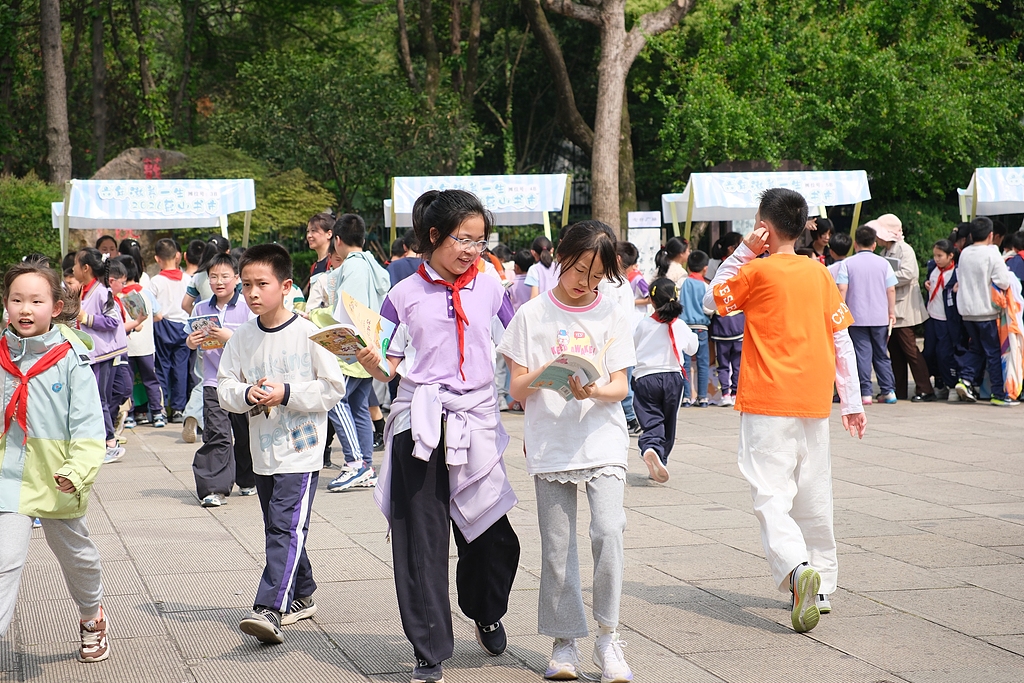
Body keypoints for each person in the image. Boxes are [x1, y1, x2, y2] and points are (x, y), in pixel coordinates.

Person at [355, 189, 520, 683]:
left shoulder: (491, 286)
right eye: (461, 239)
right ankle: (429, 651)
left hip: (478, 422)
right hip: (418, 425)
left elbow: (517, 341)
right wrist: (369, 361)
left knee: (494, 536)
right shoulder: (401, 296)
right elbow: (388, 366)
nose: (471, 249)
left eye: (478, 240)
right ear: (434, 236)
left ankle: (484, 608)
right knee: (421, 544)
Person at [703, 187, 865, 633]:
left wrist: (742, 252)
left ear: (765, 227)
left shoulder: (758, 272)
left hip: (766, 399)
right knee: (814, 491)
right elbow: (841, 340)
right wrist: (850, 401)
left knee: (770, 492)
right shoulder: (819, 274)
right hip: (814, 399)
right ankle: (824, 583)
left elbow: (711, 299)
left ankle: (797, 570)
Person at [498, 220, 635, 683]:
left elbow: (620, 385)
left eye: (596, 277)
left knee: (609, 531)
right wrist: (549, 373)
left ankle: (609, 635)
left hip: (603, 438)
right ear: (561, 256)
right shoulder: (531, 315)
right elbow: (516, 386)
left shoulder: (613, 310)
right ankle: (564, 641)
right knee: (558, 548)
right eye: (579, 270)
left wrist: (593, 390)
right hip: (551, 442)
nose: (585, 283)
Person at [217, 244, 347, 643]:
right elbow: (225, 386)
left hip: (302, 450)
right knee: (281, 526)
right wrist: (246, 395)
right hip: (263, 450)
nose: (253, 293)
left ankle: (269, 608)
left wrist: (287, 392)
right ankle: (303, 593)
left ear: (286, 285)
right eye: (246, 285)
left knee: (283, 528)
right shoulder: (241, 336)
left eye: (262, 284)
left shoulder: (310, 334)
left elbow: (333, 388)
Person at [0, 261, 110, 662]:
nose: (25, 309)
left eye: (36, 300)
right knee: (4, 561)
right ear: (5, 304)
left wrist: (75, 472)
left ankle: (91, 615)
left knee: (77, 557)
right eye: (16, 300)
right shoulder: (0, 355)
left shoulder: (71, 360)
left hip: (57, 478)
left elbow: (88, 429)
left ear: (56, 306)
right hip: (8, 477)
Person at [323, 213, 391, 492]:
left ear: (337, 240)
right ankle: (366, 465)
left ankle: (355, 464)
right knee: (359, 408)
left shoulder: (352, 267)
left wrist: (315, 317)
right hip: (371, 347)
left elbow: (345, 309)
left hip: (352, 349)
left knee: (334, 398)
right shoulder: (373, 265)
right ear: (362, 239)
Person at [186, 253, 255, 507]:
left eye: (225, 276)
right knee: (217, 434)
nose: (218, 281)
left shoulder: (248, 306)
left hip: (243, 383)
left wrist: (229, 336)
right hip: (213, 382)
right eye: (213, 276)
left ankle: (248, 479)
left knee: (245, 433)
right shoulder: (201, 308)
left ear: (236, 278)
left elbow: (255, 342)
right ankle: (214, 488)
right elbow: (191, 337)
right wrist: (191, 341)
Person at [631, 278, 698, 483]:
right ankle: (661, 457)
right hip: (672, 378)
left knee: (651, 418)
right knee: (669, 421)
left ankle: (652, 446)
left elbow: (632, 348)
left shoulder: (644, 324)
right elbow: (693, 349)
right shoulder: (681, 325)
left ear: (652, 301)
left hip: (646, 378)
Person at [73, 248, 129, 463]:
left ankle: (110, 443)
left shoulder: (101, 291)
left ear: (85, 268)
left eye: (77, 265)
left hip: (104, 354)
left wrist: (86, 318)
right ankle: (103, 441)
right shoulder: (85, 290)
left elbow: (114, 321)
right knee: (95, 398)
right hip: (92, 353)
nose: (73, 269)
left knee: (99, 399)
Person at [870, 214, 935, 401]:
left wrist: (885, 277)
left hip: (904, 308)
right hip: (892, 308)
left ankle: (925, 388)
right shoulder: (885, 252)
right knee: (896, 352)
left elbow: (908, 273)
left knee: (910, 349)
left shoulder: (904, 250)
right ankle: (899, 389)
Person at [953, 217, 1017, 406]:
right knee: (993, 351)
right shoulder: (992, 254)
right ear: (991, 235)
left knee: (976, 348)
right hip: (986, 311)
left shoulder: (964, 253)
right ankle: (998, 393)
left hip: (966, 310)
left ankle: (964, 380)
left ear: (971, 235)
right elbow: (1003, 281)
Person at [835, 226, 898, 405]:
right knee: (881, 354)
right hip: (880, 316)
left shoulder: (847, 263)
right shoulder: (884, 263)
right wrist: (891, 312)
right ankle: (888, 391)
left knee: (862, 354)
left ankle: (866, 393)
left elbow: (842, 288)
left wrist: (841, 311)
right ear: (874, 244)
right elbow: (891, 289)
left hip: (856, 316)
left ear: (855, 244)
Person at [111, 255, 164, 428]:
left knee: (128, 382)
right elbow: (159, 315)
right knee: (151, 379)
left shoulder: (117, 296)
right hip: (146, 346)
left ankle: (131, 414)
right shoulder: (145, 292)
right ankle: (157, 413)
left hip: (126, 346)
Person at [150, 239, 191, 422]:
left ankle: (162, 408)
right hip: (184, 326)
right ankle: (179, 409)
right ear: (177, 256)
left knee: (162, 367)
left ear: (157, 259)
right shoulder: (188, 279)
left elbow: (151, 306)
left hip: (163, 326)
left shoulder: (155, 281)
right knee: (180, 368)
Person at [923, 240, 958, 400]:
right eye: (935, 255)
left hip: (946, 319)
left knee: (944, 353)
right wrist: (926, 283)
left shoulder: (956, 272)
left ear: (950, 256)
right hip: (931, 316)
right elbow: (928, 282)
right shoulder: (932, 268)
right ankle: (938, 381)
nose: (936, 259)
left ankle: (951, 385)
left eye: (940, 256)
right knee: (929, 352)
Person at [680, 250, 711, 407]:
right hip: (701, 327)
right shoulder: (705, 286)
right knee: (702, 362)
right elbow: (709, 309)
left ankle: (686, 397)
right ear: (705, 268)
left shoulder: (681, 283)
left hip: (684, 326)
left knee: (684, 363)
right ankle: (703, 397)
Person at [182, 236, 231, 315]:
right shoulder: (234, 276)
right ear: (227, 252)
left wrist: (201, 317)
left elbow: (185, 305)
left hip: (209, 323)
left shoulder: (198, 276)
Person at [305, 212, 335, 289]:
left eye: (314, 231)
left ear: (329, 234)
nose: (309, 235)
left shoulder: (334, 263)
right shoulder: (314, 267)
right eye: (308, 231)